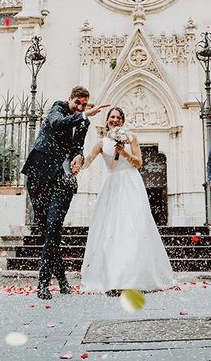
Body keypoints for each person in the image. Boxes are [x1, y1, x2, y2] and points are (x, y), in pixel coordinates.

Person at [21, 86, 108, 300]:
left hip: (62, 180)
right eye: (77, 103)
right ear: (69, 99)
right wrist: (82, 115)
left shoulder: (83, 122)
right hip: (39, 174)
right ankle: (61, 279)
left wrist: (78, 156)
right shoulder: (57, 109)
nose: (79, 107)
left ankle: (43, 285)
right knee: (47, 232)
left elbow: (76, 146)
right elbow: (56, 124)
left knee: (53, 227)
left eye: (84, 105)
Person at [80, 107, 174, 294]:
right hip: (111, 186)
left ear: (122, 121)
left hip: (130, 184)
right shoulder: (101, 142)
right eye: (112, 117)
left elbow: (139, 163)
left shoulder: (131, 138)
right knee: (110, 230)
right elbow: (89, 159)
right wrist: (78, 163)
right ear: (107, 121)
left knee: (133, 228)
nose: (115, 120)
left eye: (118, 117)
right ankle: (114, 278)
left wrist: (124, 152)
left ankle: (134, 277)